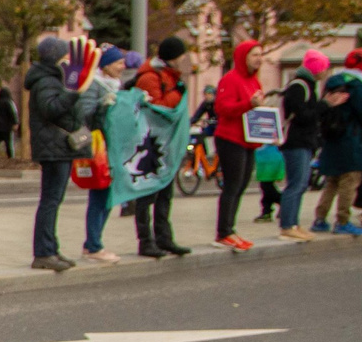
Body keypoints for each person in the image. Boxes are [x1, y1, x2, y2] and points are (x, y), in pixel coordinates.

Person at [128, 37, 195, 257]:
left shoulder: (168, 76)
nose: (184, 59)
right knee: (147, 195)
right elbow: (156, 108)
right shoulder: (150, 77)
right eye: (181, 55)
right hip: (151, 144)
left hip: (163, 144)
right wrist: (178, 93)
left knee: (165, 193)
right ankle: (146, 241)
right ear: (172, 58)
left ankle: (164, 238)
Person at [25, 35, 83, 272]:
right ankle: (43, 252)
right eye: (65, 55)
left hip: (58, 147)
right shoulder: (46, 81)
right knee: (50, 200)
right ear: (56, 57)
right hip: (53, 147)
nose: (68, 59)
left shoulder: (52, 78)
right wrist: (73, 93)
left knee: (54, 200)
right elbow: (52, 108)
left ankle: (51, 248)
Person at [73, 45, 132, 265]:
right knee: (99, 197)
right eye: (118, 62)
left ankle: (94, 243)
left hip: (114, 149)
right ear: (105, 65)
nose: (122, 66)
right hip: (99, 150)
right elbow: (86, 116)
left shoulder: (117, 85)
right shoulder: (93, 85)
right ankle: (93, 245)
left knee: (107, 197)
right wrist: (104, 107)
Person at [211, 38, 269, 251]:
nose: (259, 59)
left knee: (242, 185)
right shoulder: (230, 79)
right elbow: (223, 108)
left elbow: (256, 110)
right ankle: (223, 231)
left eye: (260, 55)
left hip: (248, 139)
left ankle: (230, 228)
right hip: (230, 138)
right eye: (254, 55)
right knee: (232, 184)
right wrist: (248, 104)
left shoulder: (255, 81)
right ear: (243, 57)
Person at [312, 63, 362, 233]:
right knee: (349, 182)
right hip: (353, 142)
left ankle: (320, 219)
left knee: (331, 183)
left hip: (332, 140)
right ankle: (342, 221)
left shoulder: (333, 81)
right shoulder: (359, 85)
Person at [276, 50, 329, 240]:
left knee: (301, 184)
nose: (326, 72)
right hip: (296, 142)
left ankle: (294, 223)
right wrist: (323, 106)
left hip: (304, 142)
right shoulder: (299, 87)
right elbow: (303, 115)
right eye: (324, 67)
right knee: (296, 184)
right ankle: (287, 224)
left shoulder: (307, 86)